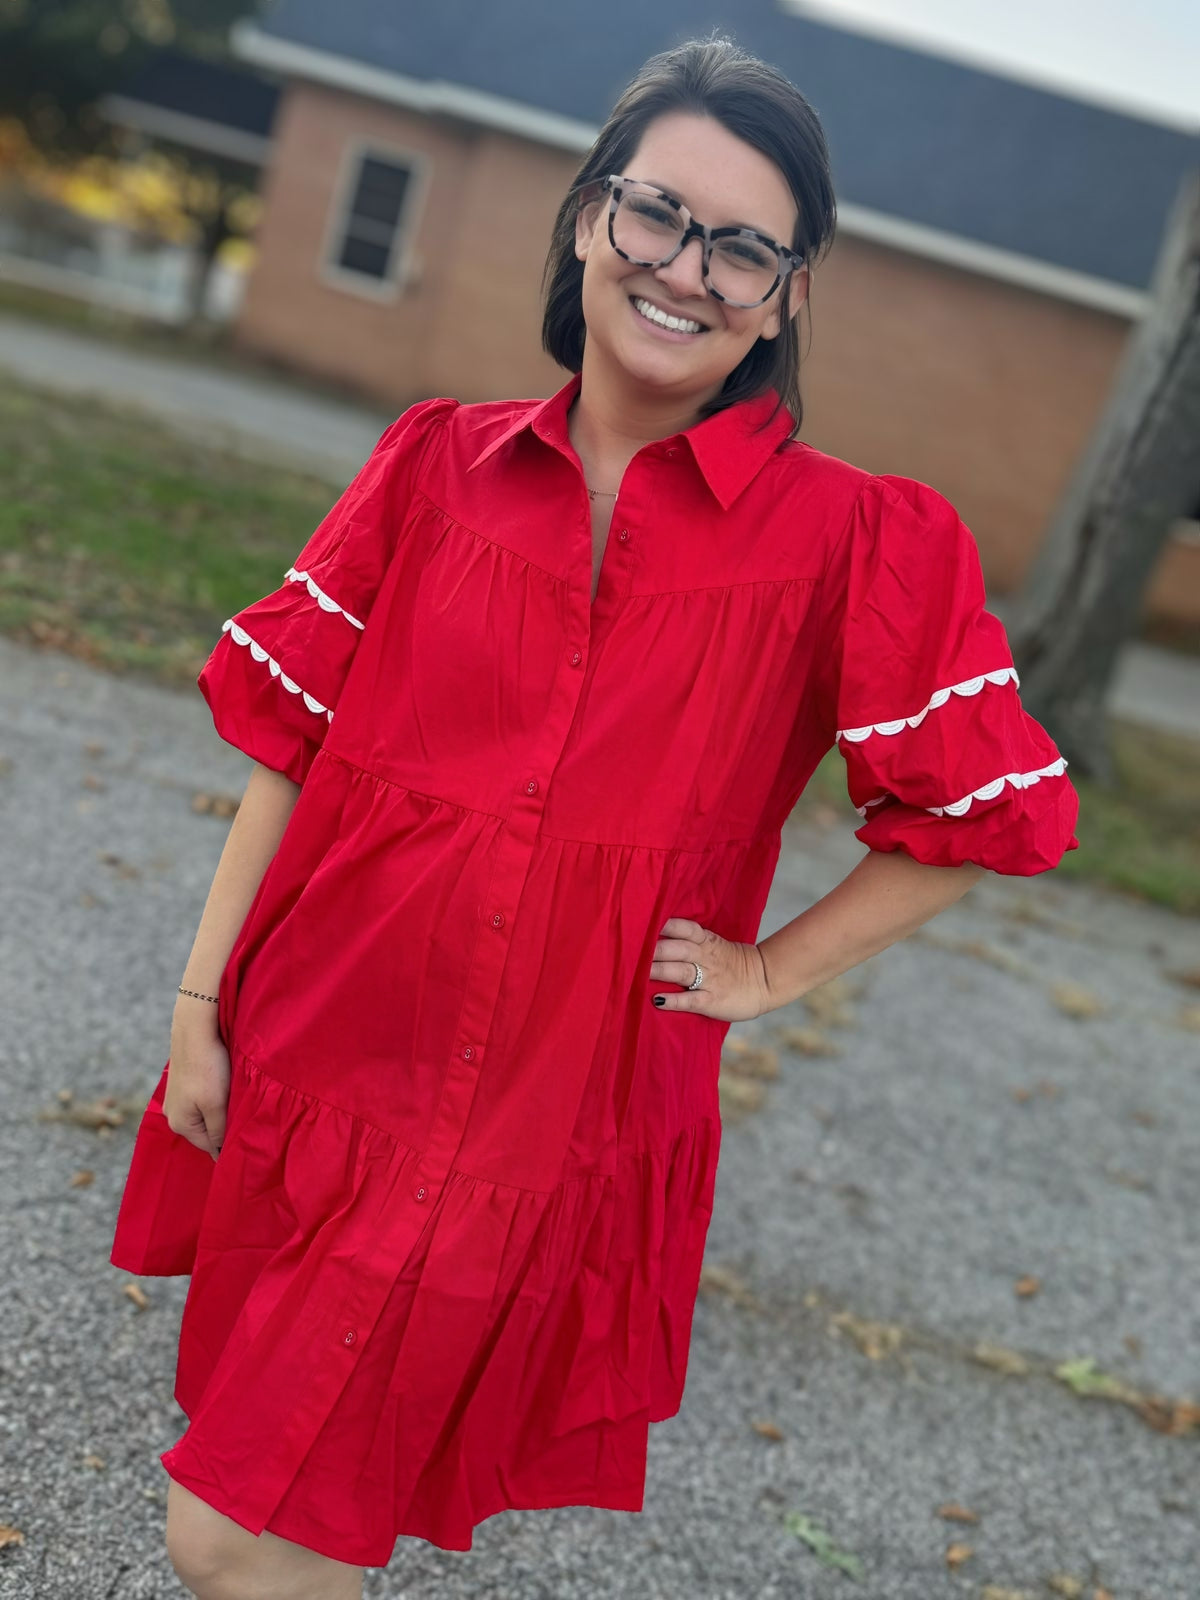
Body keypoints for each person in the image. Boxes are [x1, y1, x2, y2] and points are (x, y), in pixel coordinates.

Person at [110, 34, 1079, 1600]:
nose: (686, 269)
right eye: (656, 213)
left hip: (540, 1121)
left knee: (235, 1535)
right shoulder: (435, 465)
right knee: (289, 1515)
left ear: (788, 291)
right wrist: (200, 1007)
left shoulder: (859, 542)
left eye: (743, 246)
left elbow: (983, 812)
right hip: (321, 1053)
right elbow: (289, 748)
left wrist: (771, 971)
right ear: (585, 220)